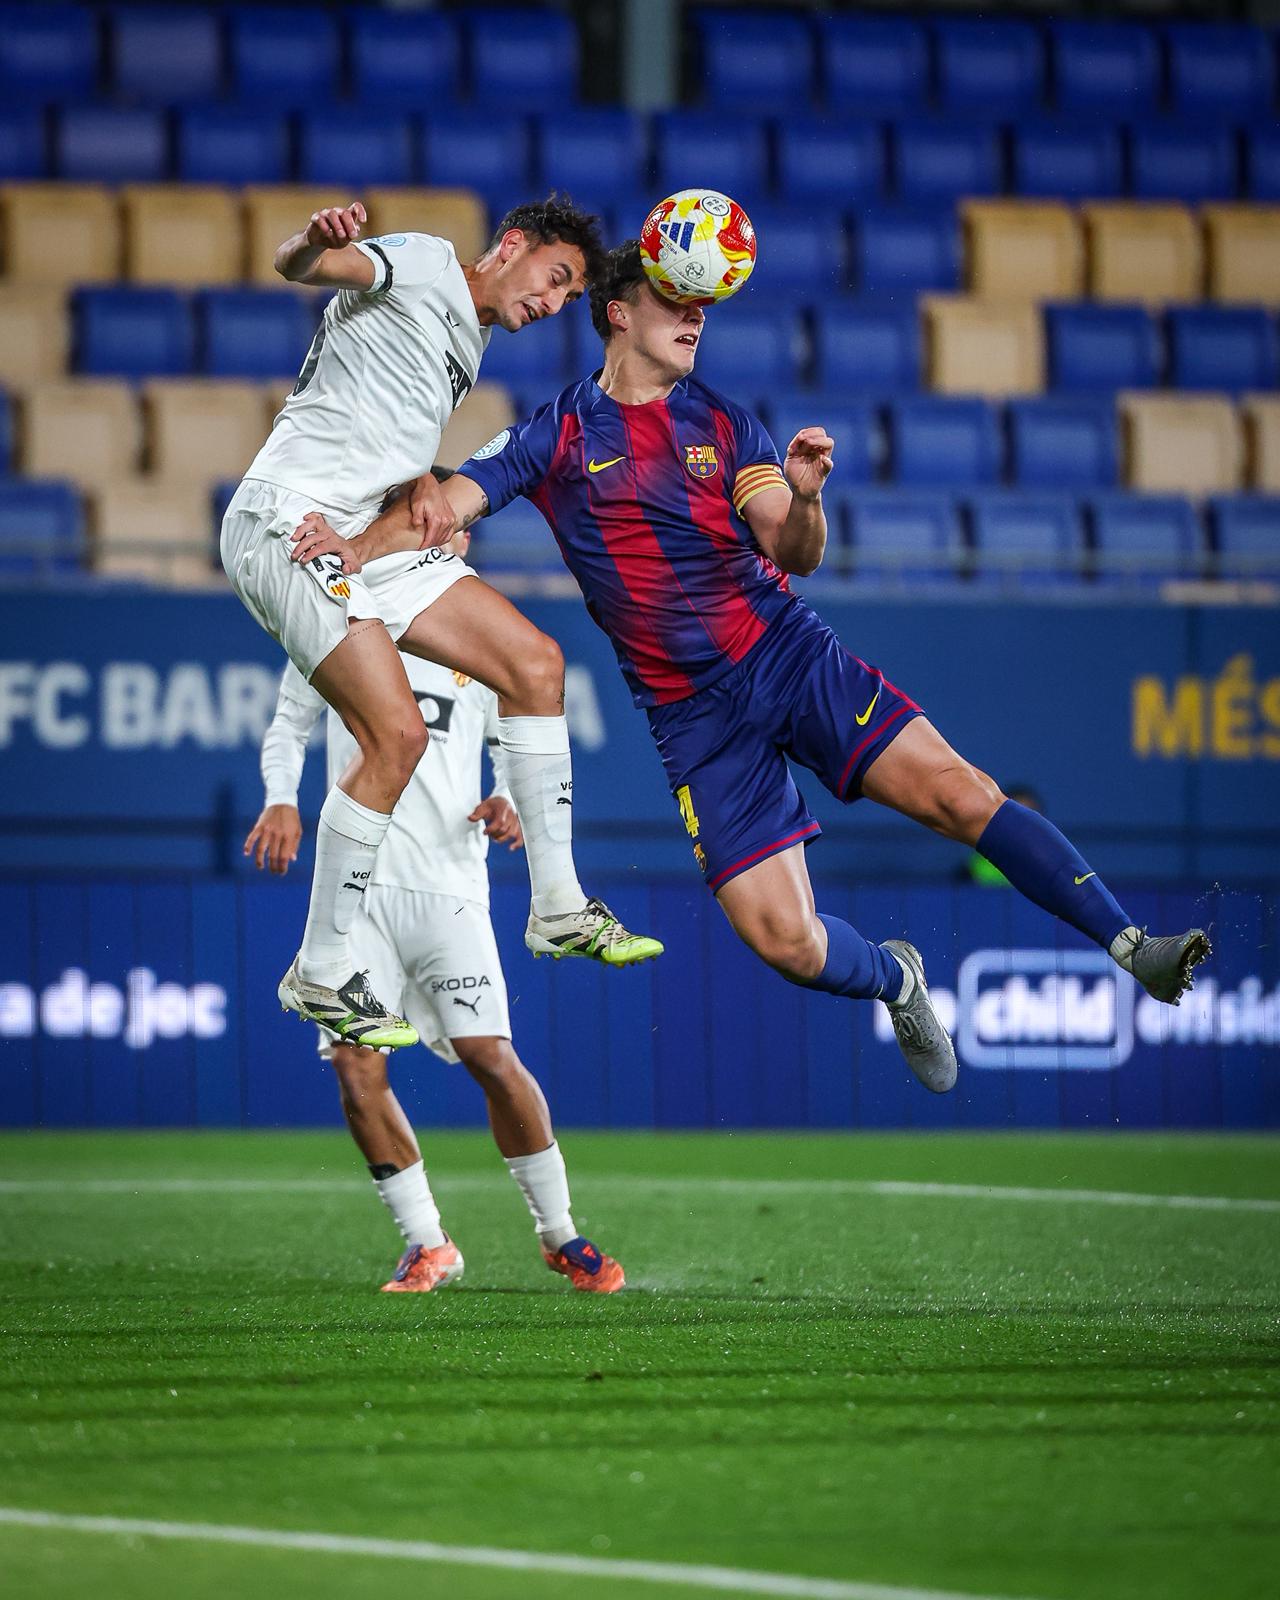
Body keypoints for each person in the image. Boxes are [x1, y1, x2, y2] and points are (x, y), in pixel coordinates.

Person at [291, 241, 1210, 1093]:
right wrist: (350, 547)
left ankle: (1132, 945)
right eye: (674, 300)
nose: (695, 316)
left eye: (704, 306)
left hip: (789, 658)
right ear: (617, 312)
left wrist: (805, 500)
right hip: (694, 718)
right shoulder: (558, 431)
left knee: (961, 796)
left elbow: (793, 549)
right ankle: (897, 977)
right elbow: (445, 508)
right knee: (786, 942)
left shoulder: (725, 424)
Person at [220, 198, 661, 1055]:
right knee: (397, 737)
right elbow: (302, 267)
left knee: (535, 664)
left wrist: (423, 474)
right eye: (555, 279)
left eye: (569, 297)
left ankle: (558, 906)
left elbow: (368, 411)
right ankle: (321, 968)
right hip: (289, 522)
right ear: (511, 245)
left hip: (355, 531)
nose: (553, 302)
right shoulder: (425, 264)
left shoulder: (468, 338)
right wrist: (315, 241)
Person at [243, 485, 624, 1294]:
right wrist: (280, 798)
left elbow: (517, 742)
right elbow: (289, 725)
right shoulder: (338, 616)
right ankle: (427, 1243)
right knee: (356, 1065)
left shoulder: (476, 639)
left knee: (492, 1058)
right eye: (425, 521)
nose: (441, 536)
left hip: (449, 887)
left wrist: (509, 798)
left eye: (448, 526)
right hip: (359, 897)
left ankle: (560, 1233)